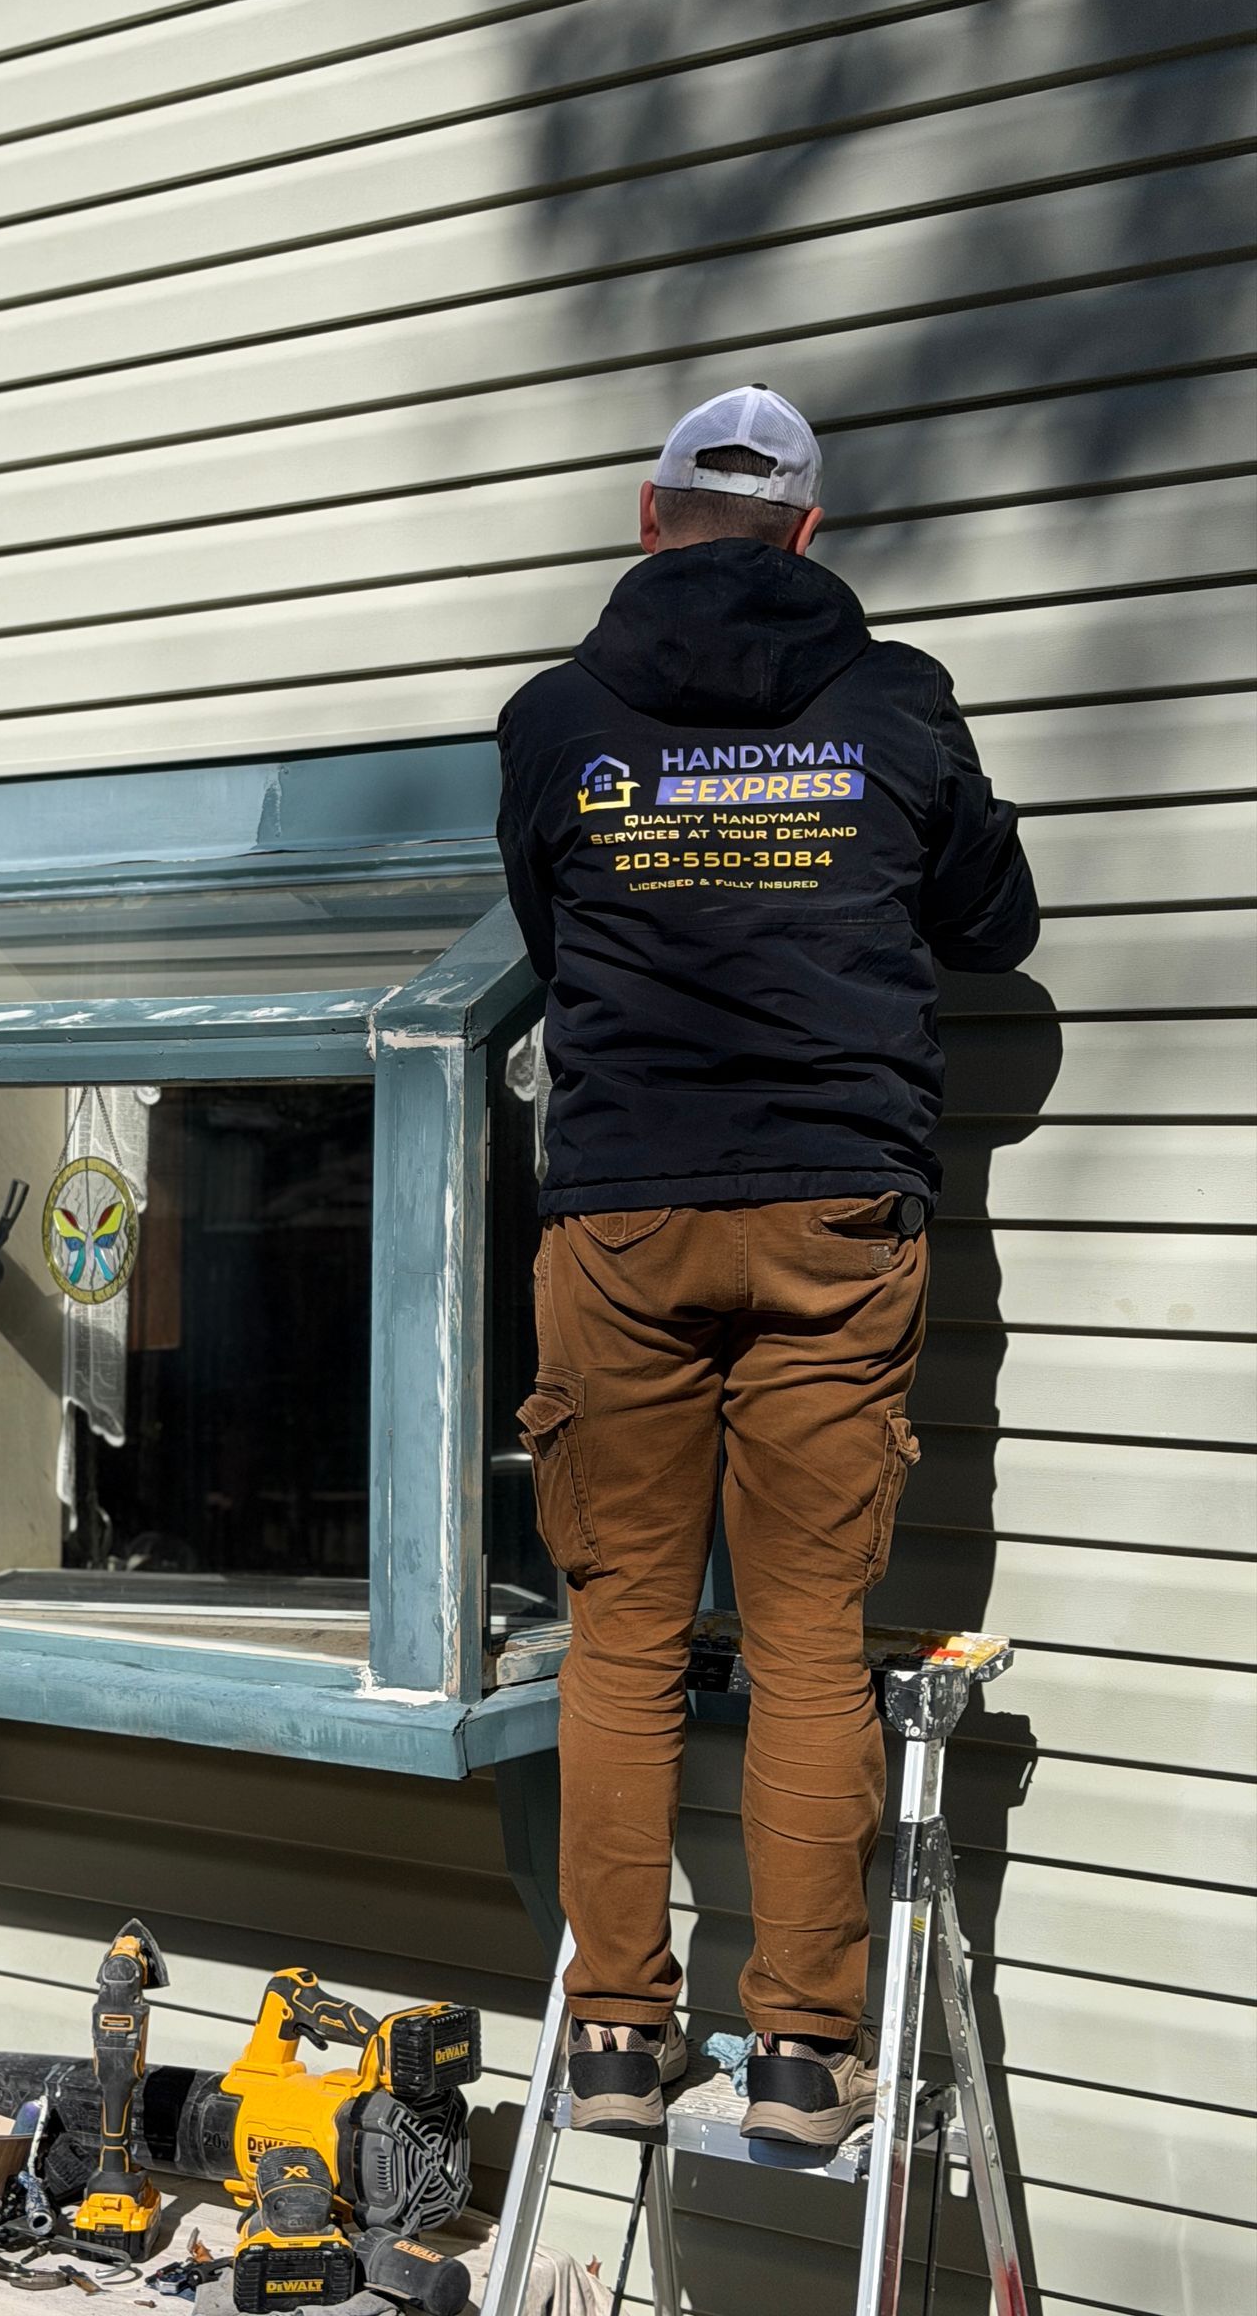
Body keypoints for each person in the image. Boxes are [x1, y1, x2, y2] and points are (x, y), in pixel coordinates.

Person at [495, 386, 1038, 2147]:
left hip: (628, 1215)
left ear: (648, 519)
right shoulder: (894, 703)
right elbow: (995, 919)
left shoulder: (556, 720)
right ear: (808, 536)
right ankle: (808, 2055)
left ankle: (612, 2045)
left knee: (624, 1634)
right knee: (807, 1640)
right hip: (831, 1212)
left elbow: (547, 921)